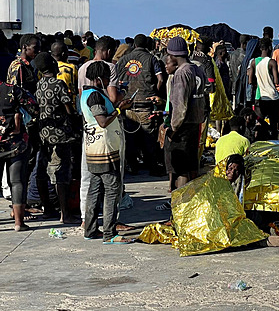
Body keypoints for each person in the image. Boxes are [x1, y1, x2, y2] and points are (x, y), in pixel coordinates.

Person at [81, 61, 133, 243]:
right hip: (103, 148)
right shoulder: (94, 96)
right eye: (105, 78)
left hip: (93, 147)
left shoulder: (86, 93)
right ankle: (110, 233)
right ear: (98, 79)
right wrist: (119, 109)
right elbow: (102, 121)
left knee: (94, 189)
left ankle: (90, 229)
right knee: (112, 188)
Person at [32, 52, 80, 224]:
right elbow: (68, 107)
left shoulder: (39, 85)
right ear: (52, 65)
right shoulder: (58, 84)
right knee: (62, 172)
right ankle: (65, 214)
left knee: (43, 170)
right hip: (61, 134)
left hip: (43, 134)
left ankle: (48, 209)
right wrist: (75, 122)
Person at [116, 34, 164, 175]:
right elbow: (160, 79)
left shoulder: (123, 60)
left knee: (130, 139)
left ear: (134, 45)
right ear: (147, 45)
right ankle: (152, 166)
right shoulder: (151, 59)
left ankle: (133, 166)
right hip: (146, 104)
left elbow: (117, 81)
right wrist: (156, 92)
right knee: (149, 138)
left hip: (128, 105)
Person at [163, 37, 207, 189]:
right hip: (196, 123)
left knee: (181, 169)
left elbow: (180, 107)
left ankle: (181, 204)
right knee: (192, 165)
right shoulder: (197, 69)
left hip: (183, 126)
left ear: (173, 55)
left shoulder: (181, 73)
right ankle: (192, 201)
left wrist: (172, 129)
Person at [0, 77, 37, 231]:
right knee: (17, 182)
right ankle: (18, 223)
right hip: (15, 143)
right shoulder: (12, 89)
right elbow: (34, 108)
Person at [250, 38, 279, 139]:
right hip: (272, 97)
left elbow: (250, 81)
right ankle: (274, 142)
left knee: (260, 121)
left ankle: (260, 140)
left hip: (260, 96)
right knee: (274, 123)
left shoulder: (254, 62)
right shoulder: (272, 62)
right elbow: (277, 81)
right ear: (269, 48)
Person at [229, 35, 249, 108]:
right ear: (244, 44)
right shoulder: (245, 55)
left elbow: (230, 72)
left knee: (235, 107)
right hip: (243, 86)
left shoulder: (232, 54)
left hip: (234, 85)